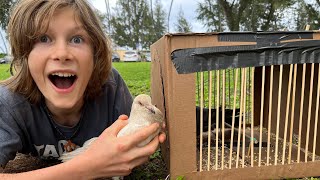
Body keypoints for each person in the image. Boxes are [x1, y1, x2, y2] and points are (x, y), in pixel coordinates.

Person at [0, 0, 166, 179]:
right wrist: (85, 169)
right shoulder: (9, 103)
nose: (62, 54)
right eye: (44, 39)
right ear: (25, 55)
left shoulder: (111, 87)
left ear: (95, 54)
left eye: (76, 39)